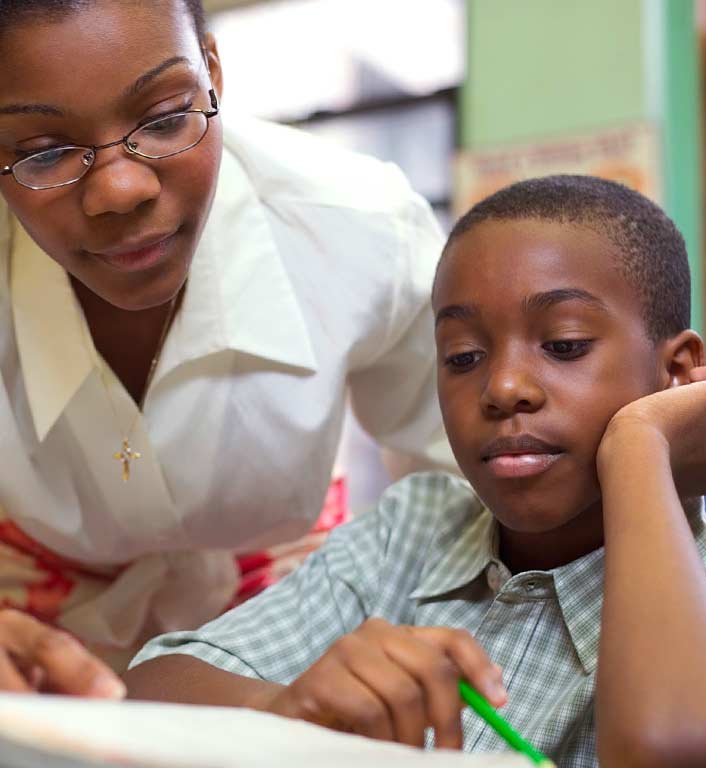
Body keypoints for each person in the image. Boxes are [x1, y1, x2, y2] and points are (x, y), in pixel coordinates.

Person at [124, 176, 706, 767]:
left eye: (564, 345)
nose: (503, 386)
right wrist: (286, 706)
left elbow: (678, 747)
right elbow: (148, 688)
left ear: (678, 372)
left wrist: (638, 447)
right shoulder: (411, 533)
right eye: (463, 356)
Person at [0, 0, 449, 670]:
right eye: (45, 153)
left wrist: (411, 625)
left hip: (287, 603)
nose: (121, 189)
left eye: (165, 117)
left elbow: (458, 489)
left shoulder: (362, 230)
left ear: (212, 70)